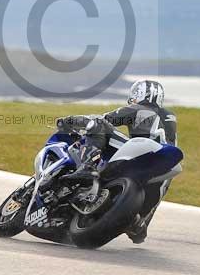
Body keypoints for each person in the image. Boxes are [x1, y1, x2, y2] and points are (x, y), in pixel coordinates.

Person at [56, 79, 177, 243]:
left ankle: (87, 167)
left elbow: (102, 120)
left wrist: (69, 121)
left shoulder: (138, 109)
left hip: (142, 155)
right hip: (160, 179)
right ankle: (139, 222)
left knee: (98, 125)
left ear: (137, 95)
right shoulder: (169, 117)